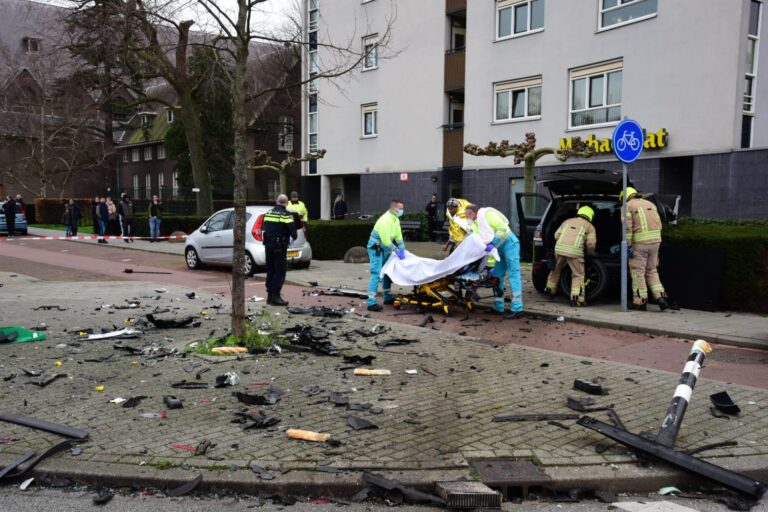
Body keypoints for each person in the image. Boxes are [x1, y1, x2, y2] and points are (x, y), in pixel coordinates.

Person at [464, 203, 523, 319]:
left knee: (513, 274)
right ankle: (498, 307)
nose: (467, 219)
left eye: (467, 216)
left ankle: (517, 308)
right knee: (497, 276)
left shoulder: (487, 214)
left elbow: (502, 228)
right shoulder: (476, 223)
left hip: (509, 243)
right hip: (498, 249)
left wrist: (493, 242)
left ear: (472, 213)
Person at [622, 187, 669, 311]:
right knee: (652, 270)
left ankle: (640, 302)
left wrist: (627, 245)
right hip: (655, 242)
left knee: (638, 272)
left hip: (640, 243)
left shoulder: (627, 206)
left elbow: (627, 227)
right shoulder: (650, 204)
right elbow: (659, 223)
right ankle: (660, 297)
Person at [544, 206, 597, 307]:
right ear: (590, 216)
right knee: (578, 275)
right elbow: (591, 245)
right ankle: (576, 299)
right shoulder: (590, 226)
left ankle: (550, 291)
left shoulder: (567, 221)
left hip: (559, 250)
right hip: (575, 252)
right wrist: (590, 254)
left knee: (556, 269)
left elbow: (556, 236)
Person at [367, 199, 406, 312]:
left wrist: (402, 248)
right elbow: (385, 241)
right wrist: (396, 250)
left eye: (402, 208)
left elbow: (398, 236)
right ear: (393, 208)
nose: (402, 211)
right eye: (400, 209)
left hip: (385, 249)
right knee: (376, 274)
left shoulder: (395, 219)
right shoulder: (385, 220)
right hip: (376, 249)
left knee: (388, 271)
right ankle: (371, 302)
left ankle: (387, 297)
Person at [263, 194, 298, 306]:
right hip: (279, 246)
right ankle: (276, 297)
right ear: (287, 203)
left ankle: (269, 296)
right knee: (280, 271)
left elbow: (265, 228)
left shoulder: (268, 213)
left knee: (271, 270)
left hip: (268, 245)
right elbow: (294, 233)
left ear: (276, 202)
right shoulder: (286, 215)